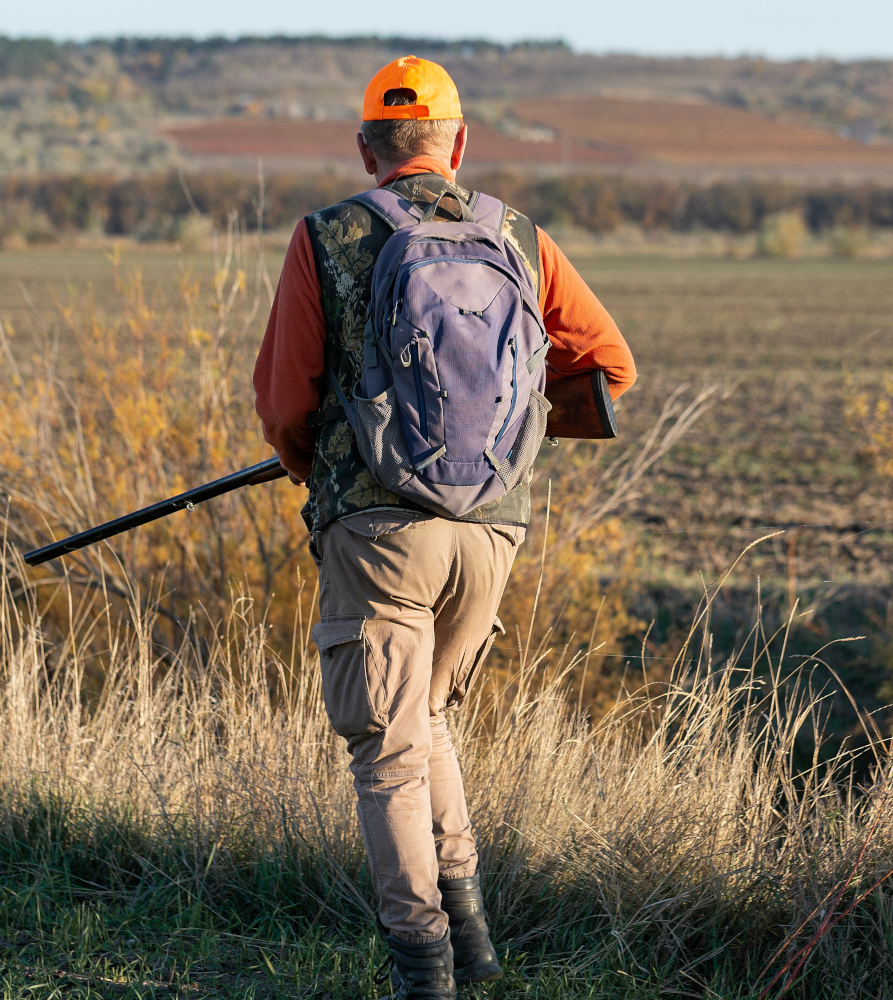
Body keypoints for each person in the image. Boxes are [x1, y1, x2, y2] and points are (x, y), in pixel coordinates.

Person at [253, 54, 635, 998]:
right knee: (426, 721)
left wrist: (321, 470)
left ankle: (422, 970)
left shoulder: (328, 235)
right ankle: (472, 938)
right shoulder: (518, 235)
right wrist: (500, 431)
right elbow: (609, 368)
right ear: (458, 144)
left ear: (366, 149)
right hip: (490, 530)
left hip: (380, 530)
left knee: (385, 753)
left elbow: (285, 402)